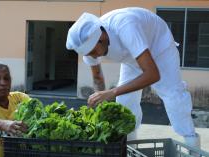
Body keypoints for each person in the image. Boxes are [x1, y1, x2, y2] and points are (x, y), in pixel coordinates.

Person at [66, 7, 200, 148]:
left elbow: (152, 75)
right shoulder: (90, 46)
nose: (93, 56)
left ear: (101, 37)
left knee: (173, 96)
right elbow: (98, 77)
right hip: (131, 57)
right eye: (88, 54)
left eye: (93, 51)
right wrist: (101, 104)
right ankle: (129, 149)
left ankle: (192, 145)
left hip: (160, 48)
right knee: (124, 101)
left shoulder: (125, 25)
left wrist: (111, 92)